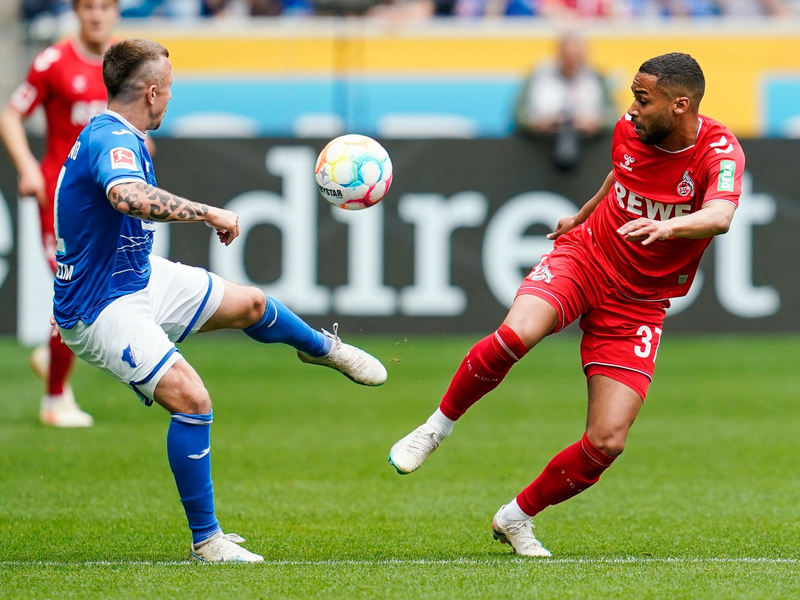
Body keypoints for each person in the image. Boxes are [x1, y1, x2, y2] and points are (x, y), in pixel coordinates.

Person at [389, 52, 744, 557]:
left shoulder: (719, 152)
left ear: (680, 104)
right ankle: (434, 429)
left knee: (607, 441)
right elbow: (621, 177)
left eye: (643, 99)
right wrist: (582, 215)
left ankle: (516, 518)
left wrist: (668, 226)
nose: (632, 109)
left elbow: (721, 215)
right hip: (587, 257)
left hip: (640, 303)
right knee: (517, 334)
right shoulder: (631, 129)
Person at [53, 38, 387, 562]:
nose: (171, 99)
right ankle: (207, 541)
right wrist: (208, 212)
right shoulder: (111, 140)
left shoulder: (120, 133)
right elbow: (126, 196)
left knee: (251, 304)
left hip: (136, 277)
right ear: (153, 90)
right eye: (170, 90)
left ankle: (321, 348)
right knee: (193, 400)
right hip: (101, 308)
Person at [1, 0, 126, 427]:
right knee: (70, 292)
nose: (96, 15)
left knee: (99, 298)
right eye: (88, 6)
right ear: (76, 11)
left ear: (116, 12)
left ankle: (49, 358)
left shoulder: (126, 63)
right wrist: (28, 169)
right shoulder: (53, 62)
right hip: (60, 201)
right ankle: (54, 399)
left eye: (105, 6)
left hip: (108, 203)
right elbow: (11, 115)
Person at [514, 33, 614, 171]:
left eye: (576, 57)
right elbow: (518, 114)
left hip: (591, 149)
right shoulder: (539, 76)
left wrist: (596, 123)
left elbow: (614, 116)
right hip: (539, 146)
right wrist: (536, 123)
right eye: (567, 56)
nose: (572, 63)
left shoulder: (596, 78)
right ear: (559, 55)